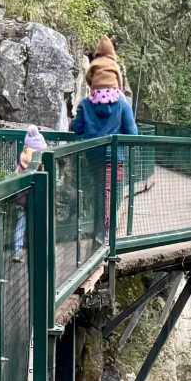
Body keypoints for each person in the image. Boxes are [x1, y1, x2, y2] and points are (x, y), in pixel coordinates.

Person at [72, 38, 136, 239]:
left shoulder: (85, 103)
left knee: (98, 191)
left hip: (93, 156)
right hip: (115, 158)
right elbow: (133, 133)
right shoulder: (122, 103)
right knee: (110, 193)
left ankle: (99, 230)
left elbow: (76, 128)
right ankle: (106, 234)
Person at [12, 124, 47, 259]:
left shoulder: (22, 159)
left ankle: (17, 251)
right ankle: (41, 250)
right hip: (36, 199)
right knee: (40, 222)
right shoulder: (40, 162)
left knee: (20, 223)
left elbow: (15, 177)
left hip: (21, 199)